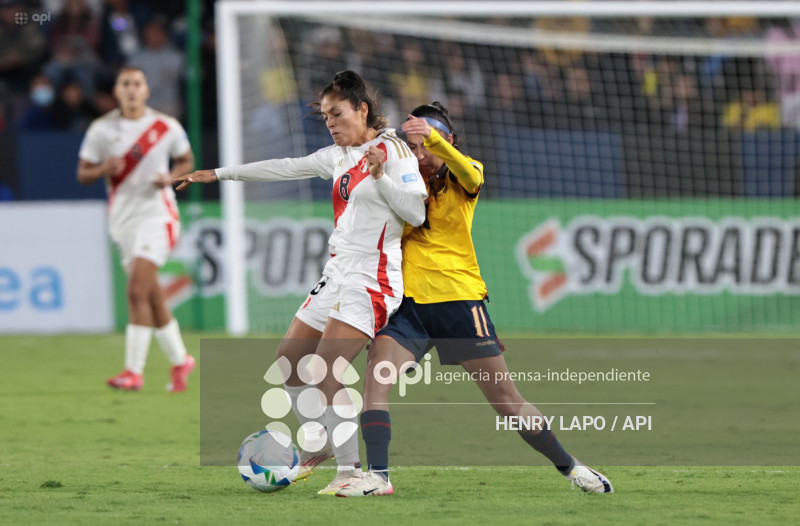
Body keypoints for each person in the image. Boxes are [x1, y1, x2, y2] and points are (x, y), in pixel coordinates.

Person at [336, 102, 613, 497]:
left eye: (424, 146)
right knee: (375, 384)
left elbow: (467, 170)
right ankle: (378, 477)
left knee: (506, 402)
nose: (418, 155)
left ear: (446, 142)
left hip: (458, 303)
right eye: (411, 147)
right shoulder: (400, 184)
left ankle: (572, 468)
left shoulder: (465, 177)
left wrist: (433, 140)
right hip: (407, 308)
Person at [173, 70, 428, 494]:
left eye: (337, 113)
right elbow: (285, 167)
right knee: (289, 361)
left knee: (326, 368)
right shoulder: (338, 155)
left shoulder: (394, 150)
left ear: (362, 110)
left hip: (373, 277)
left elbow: (416, 215)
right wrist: (217, 174)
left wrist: (381, 175)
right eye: (325, 116)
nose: (330, 122)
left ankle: (351, 473)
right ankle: (325, 440)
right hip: (336, 273)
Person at [77, 66, 196, 393]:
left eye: (137, 84)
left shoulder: (165, 125)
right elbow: (83, 173)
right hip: (122, 220)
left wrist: (170, 176)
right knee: (153, 297)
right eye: (125, 84)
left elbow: (187, 160)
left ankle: (134, 371)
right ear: (116, 91)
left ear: (146, 90)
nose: (131, 89)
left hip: (158, 216)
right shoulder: (101, 129)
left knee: (135, 291)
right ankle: (181, 360)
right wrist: (103, 168)